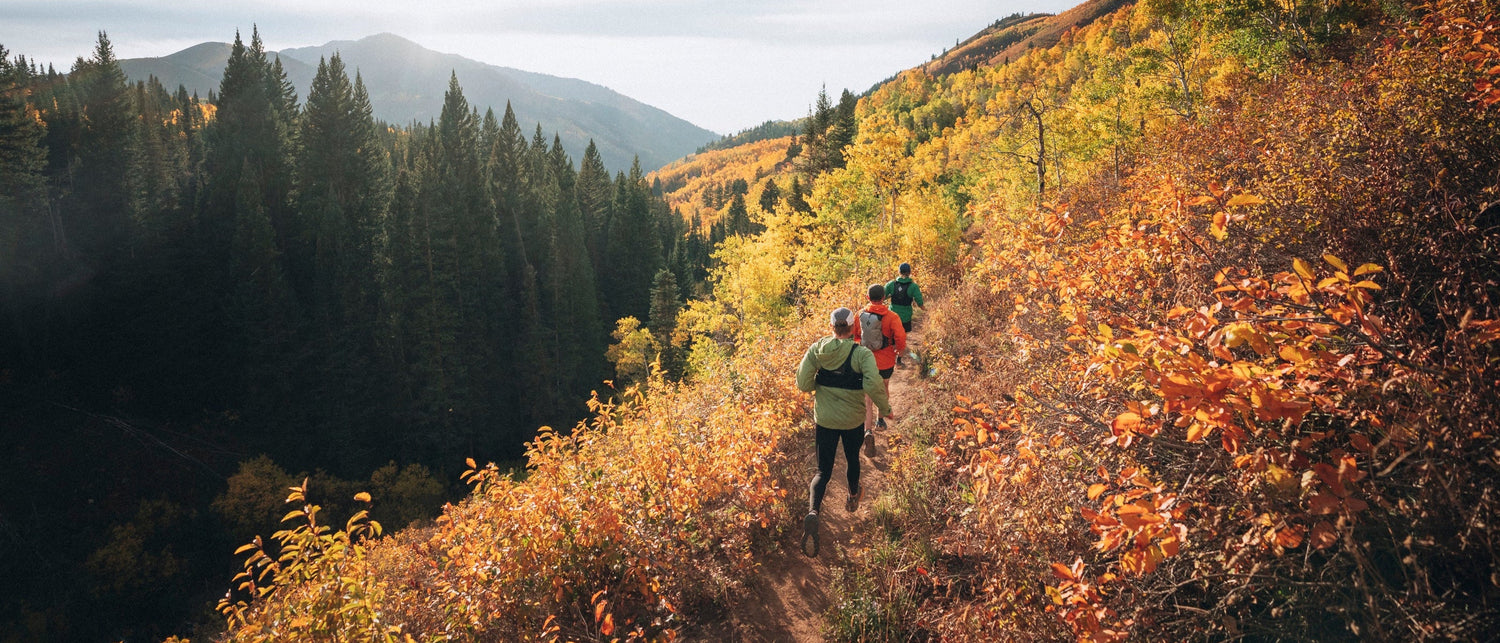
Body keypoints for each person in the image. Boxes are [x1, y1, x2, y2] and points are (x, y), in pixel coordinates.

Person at [795, 306, 893, 557]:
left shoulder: (817, 350)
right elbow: (872, 383)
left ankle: (813, 511)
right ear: (853, 328)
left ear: (832, 327)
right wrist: (885, 408)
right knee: (852, 459)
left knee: (822, 470)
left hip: (825, 419)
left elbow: (803, 383)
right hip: (852, 420)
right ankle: (852, 496)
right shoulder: (861, 354)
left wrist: (823, 382)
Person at [852, 283, 905, 456]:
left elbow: (855, 336)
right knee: (883, 388)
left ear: (868, 298)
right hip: (886, 361)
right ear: (884, 298)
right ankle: (880, 421)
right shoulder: (892, 316)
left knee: (867, 398)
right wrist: (899, 350)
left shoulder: (860, 315)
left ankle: (867, 432)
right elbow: (900, 337)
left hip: (865, 361)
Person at [886, 262, 924, 365]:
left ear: (899, 272)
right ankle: (899, 360)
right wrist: (923, 307)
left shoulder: (891, 284)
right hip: (905, 317)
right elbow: (919, 299)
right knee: (902, 338)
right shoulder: (913, 286)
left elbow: (882, 295)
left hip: (892, 316)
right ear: (910, 273)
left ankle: (890, 358)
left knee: (892, 337)